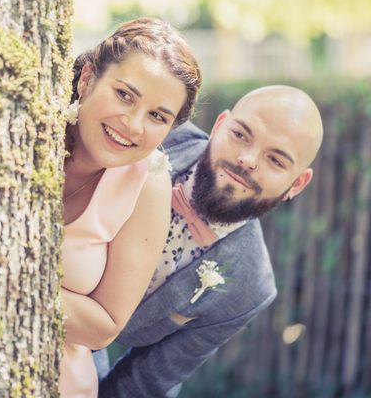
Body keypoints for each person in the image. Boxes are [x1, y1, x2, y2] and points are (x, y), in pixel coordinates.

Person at [97, 85, 324, 397]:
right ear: (219, 125)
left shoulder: (249, 289)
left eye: (276, 160)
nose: (248, 159)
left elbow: (145, 381)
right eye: (241, 135)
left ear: (296, 184)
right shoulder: (159, 131)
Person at [60, 17, 202, 397]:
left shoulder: (147, 185)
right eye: (125, 95)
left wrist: (11, 283)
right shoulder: (25, 127)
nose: (134, 125)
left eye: (157, 116)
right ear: (87, 77)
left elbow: (104, 326)